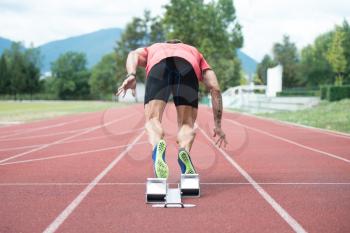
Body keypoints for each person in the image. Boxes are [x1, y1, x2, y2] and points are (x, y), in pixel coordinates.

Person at [116, 39, 227, 178]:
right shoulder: (194, 52)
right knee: (186, 123)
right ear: (180, 44)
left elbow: (133, 54)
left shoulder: (154, 48)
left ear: (167, 42)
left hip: (159, 65)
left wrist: (131, 74)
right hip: (188, 67)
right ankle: (184, 151)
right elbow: (215, 88)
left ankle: (158, 146)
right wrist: (218, 125)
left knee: (153, 119)